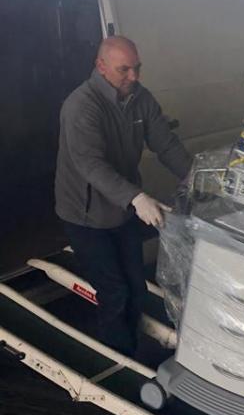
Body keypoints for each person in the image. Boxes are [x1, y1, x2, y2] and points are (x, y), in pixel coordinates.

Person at [55, 36, 192, 355]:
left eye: (137, 68)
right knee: (115, 291)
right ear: (101, 67)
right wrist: (137, 197)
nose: (134, 76)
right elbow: (91, 164)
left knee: (135, 284)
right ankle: (116, 357)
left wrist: (194, 175)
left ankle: (129, 345)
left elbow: (165, 143)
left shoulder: (140, 98)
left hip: (122, 211)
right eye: (124, 69)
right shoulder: (81, 106)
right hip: (85, 215)